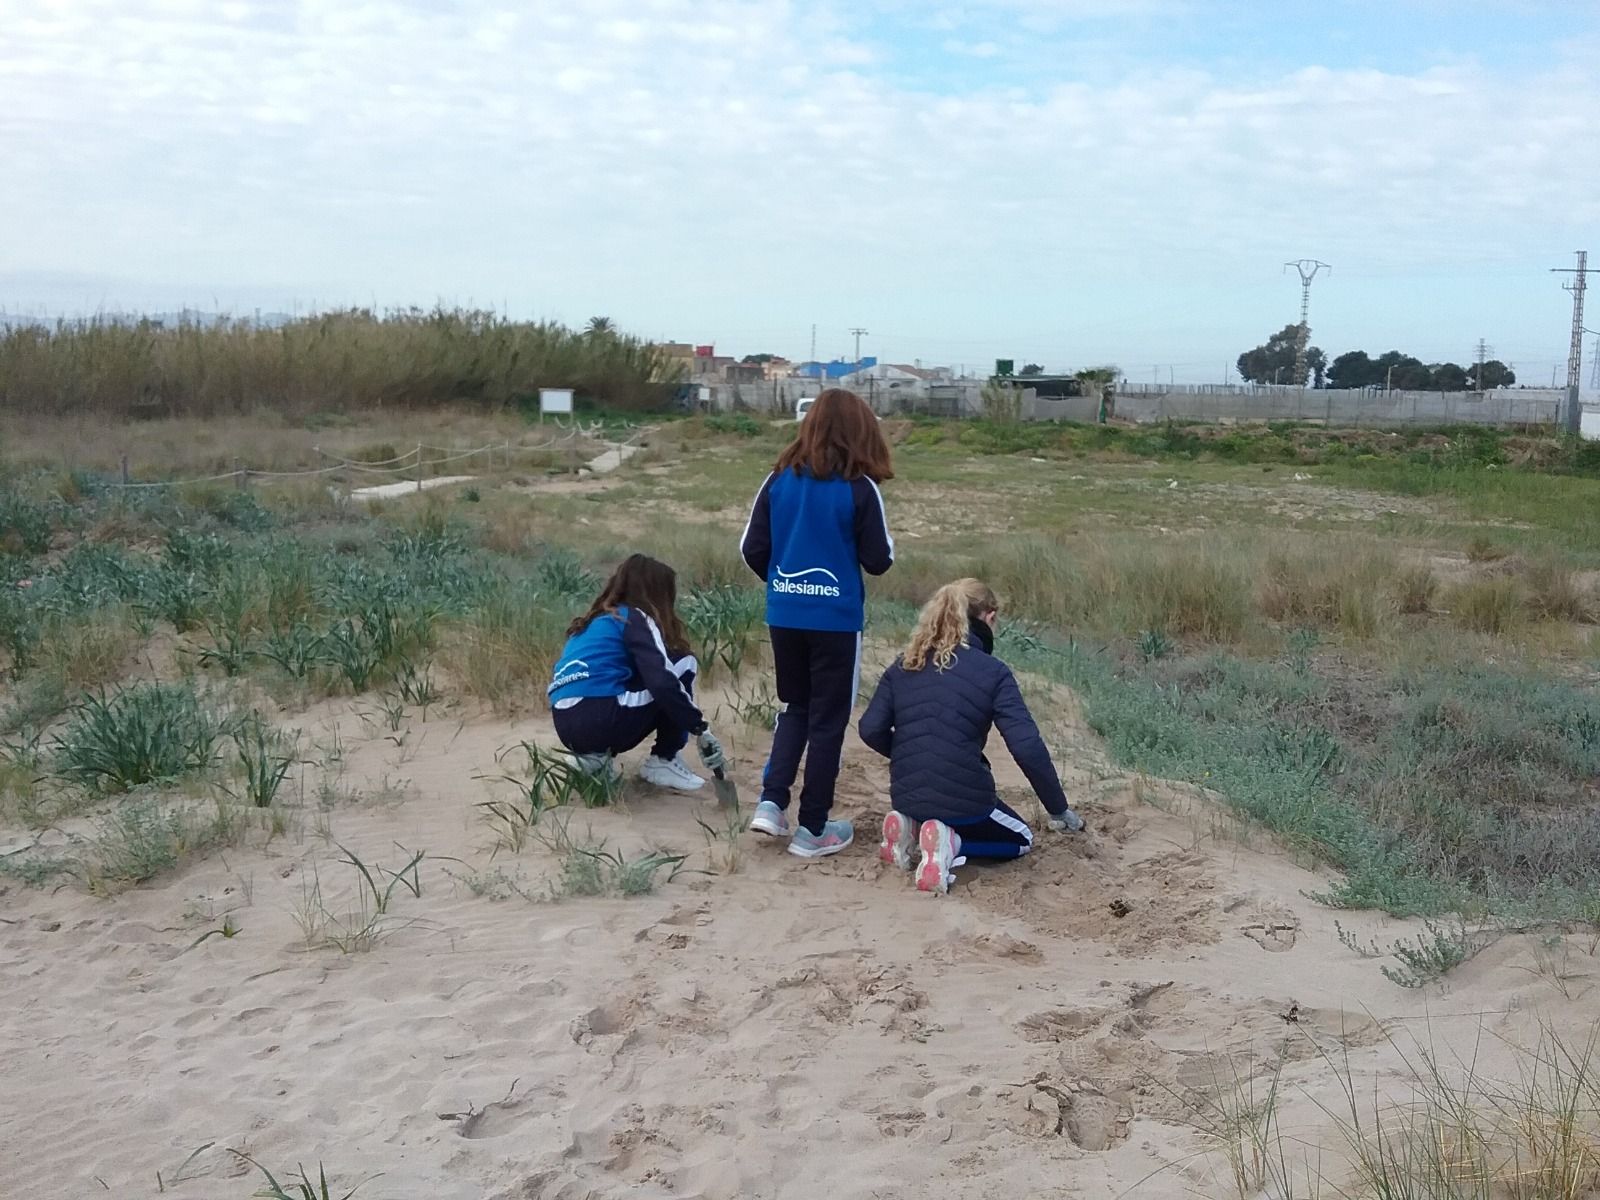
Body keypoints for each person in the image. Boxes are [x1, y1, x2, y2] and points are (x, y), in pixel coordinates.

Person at [739, 387, 895, 858]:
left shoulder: (777, 479)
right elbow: (879, 560)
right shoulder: (859, 488)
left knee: (794, 707)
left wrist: (784, 585)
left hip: (784, 614)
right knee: (827, 720)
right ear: (861, 431)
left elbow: (751, 548)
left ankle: (770, 803)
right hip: (836, 621)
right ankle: (813, 828)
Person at [858, 578, 1085, 893]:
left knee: (934, 817)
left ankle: (910, 829)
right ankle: (952, 844)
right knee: (1021, 839)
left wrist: (912, 750)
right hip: (967, 802)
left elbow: (869, 729)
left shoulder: (905, 663)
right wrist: (1059, 809)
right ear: (989, 617)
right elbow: (1026, 746)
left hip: (907, 795)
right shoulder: (994, 672)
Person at [548, 554, 725, 791]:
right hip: (604, 717)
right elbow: (662, 681)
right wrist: (700, 729)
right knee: (683, 662)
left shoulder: (591, 623)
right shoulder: (635, 616)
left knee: (630, 677)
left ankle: (593, 759)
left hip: (565, 724)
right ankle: (664, 760)